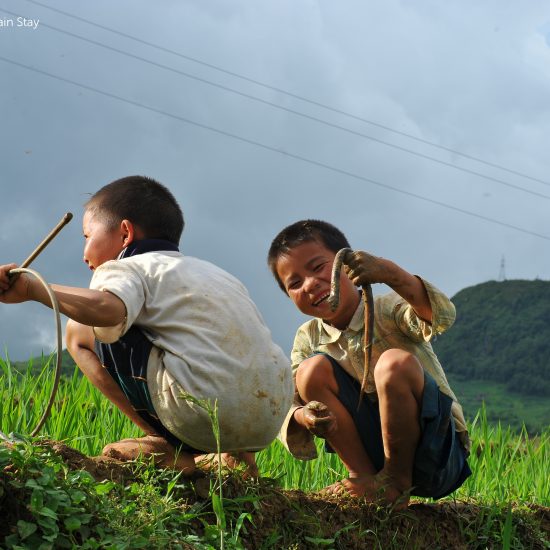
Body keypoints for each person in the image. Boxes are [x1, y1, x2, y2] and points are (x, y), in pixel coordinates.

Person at [0, 175, 293, 475]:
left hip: (199, 415)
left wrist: (33, 290)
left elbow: (109, 309)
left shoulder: (126, 267)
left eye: (87, 237)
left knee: (79, 330)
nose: (84, 252)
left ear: (125, 233)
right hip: (269, 418)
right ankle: (239, 456)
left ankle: (166, 445)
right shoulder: (216, 274)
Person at [267, 219, 471, 507]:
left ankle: (394, 483)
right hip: (374, 454)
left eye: (318, 267)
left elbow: (441, 316)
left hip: (436, 452)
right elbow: (289, 401)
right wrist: (304, 417)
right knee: (310, 372)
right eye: (295, 283)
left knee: (393, 365)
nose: (311, 284)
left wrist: (390, 273)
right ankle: (363, 477)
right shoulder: (308, 337)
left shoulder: (389, 308)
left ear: (348, 264)